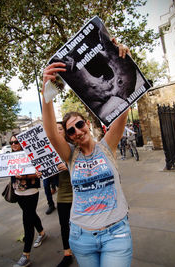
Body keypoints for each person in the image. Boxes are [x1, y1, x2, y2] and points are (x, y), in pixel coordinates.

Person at [42, 41, 133, 267]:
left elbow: (124, 108)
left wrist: (124, 60)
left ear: (87, 124)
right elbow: (52, 133)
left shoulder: (107, 146)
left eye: (79, 124)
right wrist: (47, 88)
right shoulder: (71, 156)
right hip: (81, 238)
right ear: (69, 137)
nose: (76, 131)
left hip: (116, 235)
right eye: (71, 130)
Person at [9, 134, 47, 267]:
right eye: (11, 142)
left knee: (27, 221)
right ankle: (42, 233)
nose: (13, 144)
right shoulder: (10, 156)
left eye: (16, 142)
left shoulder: (31, 154)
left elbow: (39, 173)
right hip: (18, 192)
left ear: (22, 142)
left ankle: (26, 255)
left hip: (31, 192)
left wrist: (24, 175)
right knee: (31, 214)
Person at [56, 122, 73, 267]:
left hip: (78, 192)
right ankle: (67, 253)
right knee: (63, 224)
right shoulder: (50, 151)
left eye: (60, 129)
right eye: (54, 130)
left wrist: (68, 166)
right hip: (62, 192)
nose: (57, 132)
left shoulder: (73, 147)